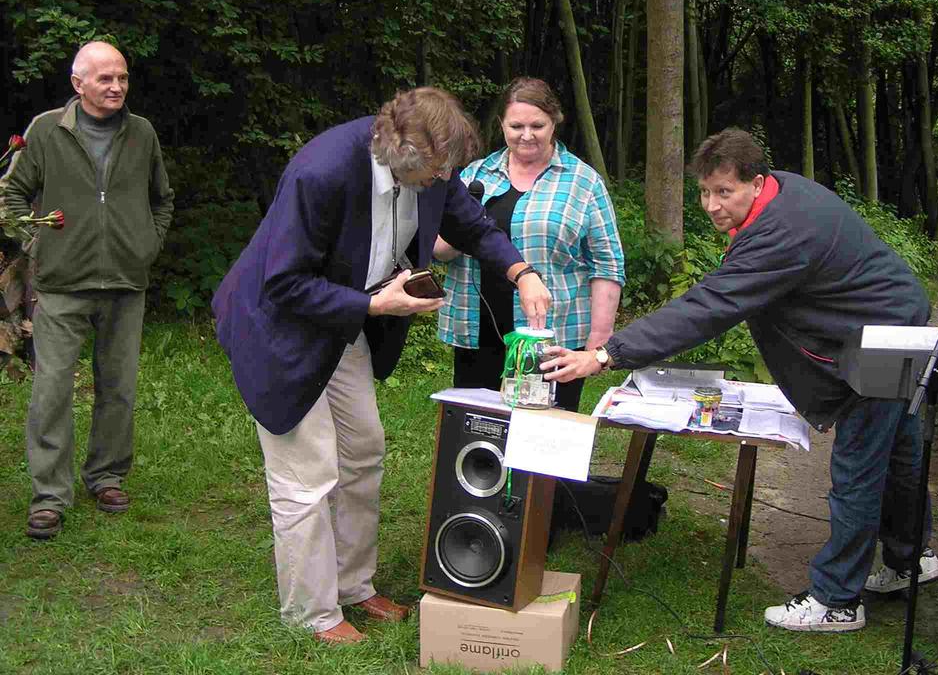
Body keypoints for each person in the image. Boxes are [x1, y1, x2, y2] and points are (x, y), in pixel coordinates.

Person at [542, 128, 938, 632]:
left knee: (859, 468)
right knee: (900, 454)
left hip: (880, 340)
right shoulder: (783, 192)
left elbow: (707, 307)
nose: (711, 205)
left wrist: (605, 354)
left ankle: (839, 599)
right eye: (704, 192)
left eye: (723, 192)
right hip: (893, 320)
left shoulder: (782, 233)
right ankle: (912, 560)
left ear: (756, 183)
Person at [211, 87, 551, 645]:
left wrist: (521, 273)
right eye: (440, 172)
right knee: (308, 475)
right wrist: (375, 305)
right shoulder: (320, 172)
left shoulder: (432, 168)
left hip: (343, 325)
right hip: (282, 328)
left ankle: (354, 585)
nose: (447, 181)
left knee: (364, 449)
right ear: (403, 155)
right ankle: (313, 614)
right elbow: (284, 281)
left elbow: (471, 224)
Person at [1, 41, 174, 540]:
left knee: (118, 387)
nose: (117, 86)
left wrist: (147, 244)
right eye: (105, 79)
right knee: (51, 390)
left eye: (122, 77)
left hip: (125, 281)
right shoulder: (47, 130)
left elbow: (162, 198)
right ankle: (49, 497)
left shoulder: (141, 133)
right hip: (61, 284)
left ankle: (107, 477)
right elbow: (9, 193)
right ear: (79, 85)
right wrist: (38, 244)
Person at [434, 77, 624, 411]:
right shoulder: (475, 175)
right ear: (501, 125)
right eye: (516, 125)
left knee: (545, 440)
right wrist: (462, 231)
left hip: (551, 338)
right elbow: (438, 249)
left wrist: (599, 337)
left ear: (555, 122)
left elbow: (607, 264)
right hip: (477, 332)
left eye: (537, 125)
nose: (526, 135)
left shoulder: (584, 182)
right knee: (478, 435)